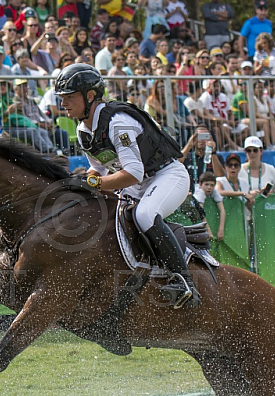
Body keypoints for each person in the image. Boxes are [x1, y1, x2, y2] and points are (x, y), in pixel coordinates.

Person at [55, 63, 199, 308]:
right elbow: (100, 168)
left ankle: (184, 282)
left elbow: (132, 172)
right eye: (62, 98)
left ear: (90, 96)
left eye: (69, 97)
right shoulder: (83, 129)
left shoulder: (117, 122)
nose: (63, 104)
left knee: (144, 214)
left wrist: (94, 182)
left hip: (167, 175)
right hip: (140, 182)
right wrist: (81, 183)